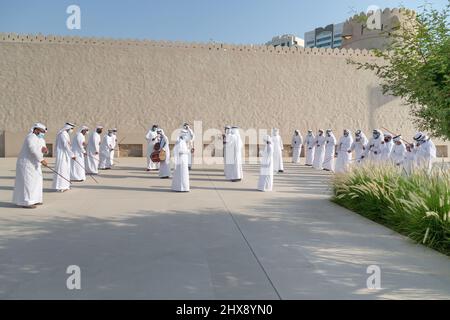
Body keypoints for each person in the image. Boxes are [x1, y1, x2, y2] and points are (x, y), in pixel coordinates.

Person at [12, 123, 48, 208]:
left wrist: (45, 151)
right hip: (27, 164)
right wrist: (41, 160)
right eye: (42, 131)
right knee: (28, 182)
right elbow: (33, 150)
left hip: (35, 164)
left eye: (44, 132)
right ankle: (27, 202)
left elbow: (43, 149)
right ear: (36, 130)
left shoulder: (41, 139)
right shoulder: (30, 137)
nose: (43, 134)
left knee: (37, 181)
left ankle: (36, 199)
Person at [52, 122, 76, 192]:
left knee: (65, 170)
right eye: (72, 128)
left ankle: (65, 186)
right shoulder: (63, 134)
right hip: (62, 155)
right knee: (62, 170)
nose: (72, 130)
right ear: (68, 128)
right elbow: (66, 145)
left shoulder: (65, 134)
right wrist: (72, 155)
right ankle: (60, 187)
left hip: (65, 155)